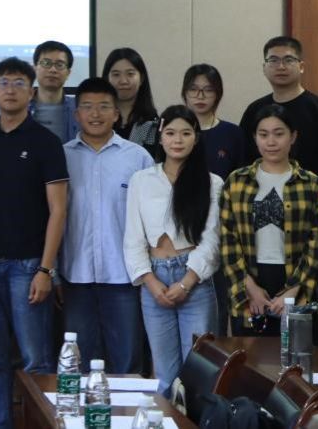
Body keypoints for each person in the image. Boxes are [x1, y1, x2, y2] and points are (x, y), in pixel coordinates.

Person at [0, 58, 68, 429]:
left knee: (36, 360)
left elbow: (58, 210)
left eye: (19, 83)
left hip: (27, 267)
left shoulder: (46, 142)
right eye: (4, 82)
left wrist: (45, 269)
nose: (11, 89)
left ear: (32, 92)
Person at [124, 105, 222, 395]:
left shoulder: (212, 182)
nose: (177, 140)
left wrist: (186, 282)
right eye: (170, 133)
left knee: (199, 374)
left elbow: (212, 240)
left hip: (195, 280)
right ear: (160, 137)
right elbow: (133, 238)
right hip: (154, 280)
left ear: (196, 138)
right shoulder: (141, 180)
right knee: (165, 376)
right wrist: (151, 283)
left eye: (186, 133)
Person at [59, 78, 154, 373]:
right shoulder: (61, 156)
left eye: (103, 107)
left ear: (116, 114)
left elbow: (152, 218)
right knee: (79, 362)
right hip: (75, 276)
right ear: (77, 114)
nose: (95, 114)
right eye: (87, 107)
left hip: (124, 277)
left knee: (127, 361)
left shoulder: (137, 157)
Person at [220, 104, 318, 337]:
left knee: (294, 354)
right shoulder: (236, 181)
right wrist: (250, 288)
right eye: (263, 134)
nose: (271, 142)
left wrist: (293, 290)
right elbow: (227, 240)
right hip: (249, 280)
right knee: (249, 355)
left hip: (294, 279)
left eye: (279, 134)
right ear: (255, 138)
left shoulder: (311, 184)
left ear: (293, 137)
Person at [181, 63, 245, 335]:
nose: (200, 96)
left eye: (207, 90)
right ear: (184, 93)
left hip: (221, 233)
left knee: (216, 312)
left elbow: (241, 186)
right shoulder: (174, 132)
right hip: (180, 234)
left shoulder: (233, 134)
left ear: (218, 94)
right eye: (194, 89)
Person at [238, 36, 318, 188]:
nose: (281, 66)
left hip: (309, 197)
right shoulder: (255, 110)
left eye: (288, 60)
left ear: (301, 66)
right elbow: (243, 161)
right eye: (273, 60)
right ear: (264, 68)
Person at [102, 47, 159, 152]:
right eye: (116, 75)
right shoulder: (98, 120)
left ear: (141, 79)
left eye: (130, 74)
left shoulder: (153, 124)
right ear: (107, 79)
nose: (123, 81)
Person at [28, 40, 79, 143]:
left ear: (68, 73)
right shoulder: (21, 108)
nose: (53, 70)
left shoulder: (79, 109)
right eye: (46, 63)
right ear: (35, 69)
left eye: (59, 65)